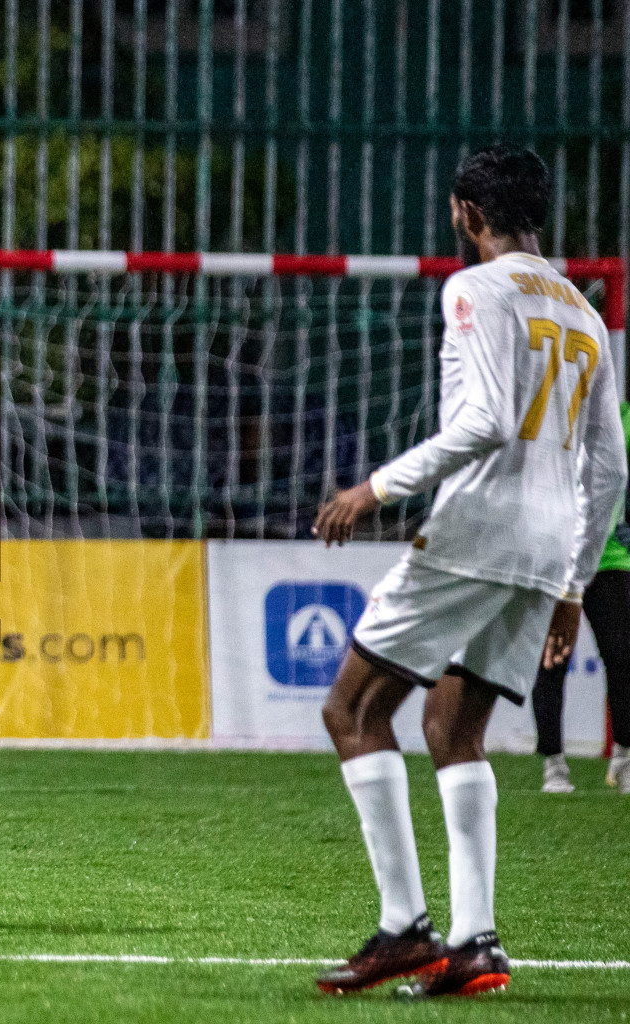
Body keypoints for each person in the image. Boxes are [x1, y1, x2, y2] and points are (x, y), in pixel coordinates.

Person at [310, 145, 627, 998]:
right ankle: (477, 942)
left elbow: (485, 421)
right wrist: (571, 581)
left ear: (467, 215)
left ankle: (405, 928)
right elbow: (614, 469)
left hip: (476, 532)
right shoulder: (586, 314)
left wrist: (373, 489)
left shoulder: (473, 290)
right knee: (455, 728)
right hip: (544, 548)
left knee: (352, 708)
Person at [531, 399, 630, 795]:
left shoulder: (623, 415)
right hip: (555, 559)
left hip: (609, 557)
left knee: (623, 659)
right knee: (551, 661)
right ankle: (554, 765)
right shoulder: (545, 413)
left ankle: (624, 758)